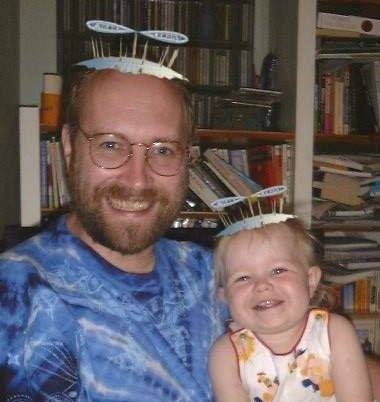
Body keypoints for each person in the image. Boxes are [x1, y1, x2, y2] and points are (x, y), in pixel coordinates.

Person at [0, 69, 224, 401]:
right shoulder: (16, 293)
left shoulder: (217, 273)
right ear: (68, 146)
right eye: (110, 145)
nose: (136, 181)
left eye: (163, 150)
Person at [209, 218, 373, 402]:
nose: (262, 285)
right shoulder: (225, 354)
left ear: (310, 280)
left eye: (278, 271)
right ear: (224, 296)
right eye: (243, 278)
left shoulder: (335, 332)